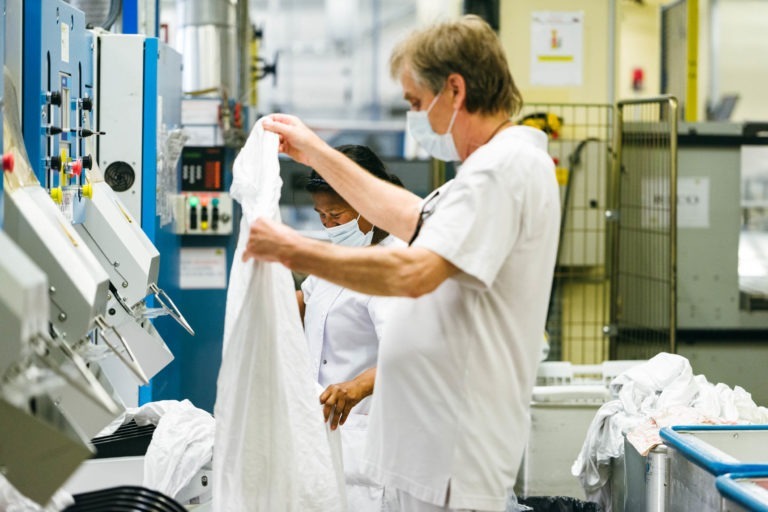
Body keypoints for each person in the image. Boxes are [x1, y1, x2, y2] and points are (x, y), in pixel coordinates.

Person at [244, 15, 561, 512]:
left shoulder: (501, 174)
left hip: (452, 457)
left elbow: (413, 272)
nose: (416, 117)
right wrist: (317, 152)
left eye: (416, 103)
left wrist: (292, 250)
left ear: (454, 90)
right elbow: (410, 217)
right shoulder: (487, 172)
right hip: (429, 454)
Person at [298, 144, 403, 511]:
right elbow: (309, 299)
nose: (327, 224)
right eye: (321, 215)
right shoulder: (342, 255)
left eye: (336, 214)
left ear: (370, 203)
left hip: (368, 427)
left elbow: (407, 354)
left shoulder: (394, 265)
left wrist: (357, 386)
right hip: (328, 429)